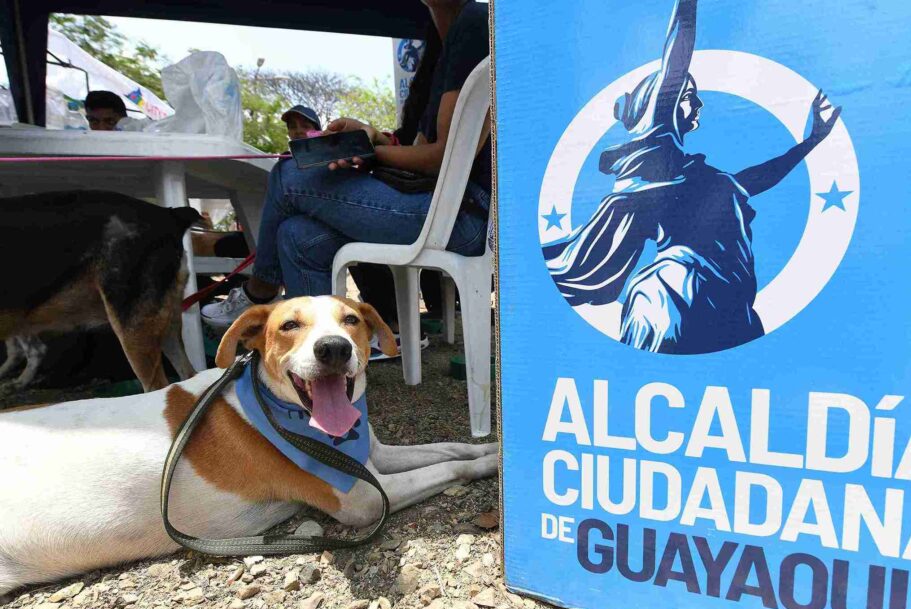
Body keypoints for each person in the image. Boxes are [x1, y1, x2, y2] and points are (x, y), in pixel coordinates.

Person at [543, 0, 841, 354]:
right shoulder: (657, 149)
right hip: (678, 293)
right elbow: (677, 52)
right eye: (687, 97)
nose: (697, 105)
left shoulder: (702, 176)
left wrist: (810, 142)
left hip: (731, 303)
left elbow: (755, 179)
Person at [202, 0, 490, 353]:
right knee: (297, 236)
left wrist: (371, 152)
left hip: (464, 214)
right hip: (435, 203)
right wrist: (370, 136)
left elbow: (443, 156)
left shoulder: (474, 23)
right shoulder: (441, 44)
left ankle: (258, 293)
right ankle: (316, 361)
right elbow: (423, 147)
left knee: (289, 174)